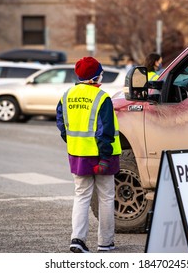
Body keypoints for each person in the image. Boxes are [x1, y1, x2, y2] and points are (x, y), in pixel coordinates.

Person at [56, 56, 122, 253]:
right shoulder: (102, 97)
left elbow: (62, 125)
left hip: (78, 154)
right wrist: (104, 157)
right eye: (100, 72)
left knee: (81, 196)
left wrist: (75, 143)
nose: (102, 75)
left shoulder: (66, 95)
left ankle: (77, 239)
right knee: (106, 197)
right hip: (102, 157)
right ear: (95, 77)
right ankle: (105, 243)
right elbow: (106, 131)